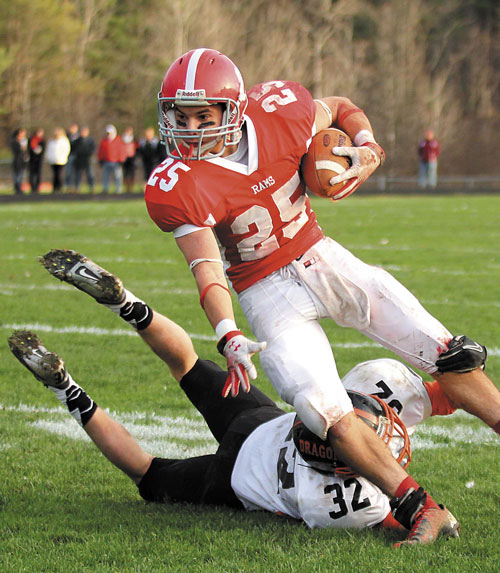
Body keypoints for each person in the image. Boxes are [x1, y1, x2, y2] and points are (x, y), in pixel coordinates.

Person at [144, 48, 500, 532]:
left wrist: (367, 147)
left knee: (448, 354)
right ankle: (421, 508)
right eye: (179, 116)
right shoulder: (177, 183)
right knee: (323, 412)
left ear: (235, 109)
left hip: (324, 258)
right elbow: (207, 266)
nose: (189, 128)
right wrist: (227, 333)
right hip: (265, 290)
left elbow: (342, 107)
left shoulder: (279, 114)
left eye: (203, 115)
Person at [8, 248, 461, 546]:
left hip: (261, 422)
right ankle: (66, 389)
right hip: (234, 481)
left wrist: (458, 379)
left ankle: (127, 304)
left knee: (184, 363)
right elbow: (390, 513)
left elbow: (442, 397)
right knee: (147, 472)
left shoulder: (363, 389)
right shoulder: (343, 503)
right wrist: (432, 512)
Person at [97, 124, 127, 193]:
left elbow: (122, 150)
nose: (108, 135)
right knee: (105, 176)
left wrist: (121, 160)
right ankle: (105, 188)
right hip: (106, 161)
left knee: (118, 176)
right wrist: (100, 159)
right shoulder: (104, 141)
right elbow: (101, 151)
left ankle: (118, 189)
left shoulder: (119, 140)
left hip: (116, 162)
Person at [45, 127, 71, 193]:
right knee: (54, 174)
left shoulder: (64, 141)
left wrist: (63, 157)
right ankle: (54, 187)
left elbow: (66, 150)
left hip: (61, 160)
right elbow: (48, 150)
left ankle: (59, 187)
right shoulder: (51, 141)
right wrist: (48, 158)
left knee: (59, 174)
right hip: (53, 160)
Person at [73, 126, 96, 193]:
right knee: (78, 175)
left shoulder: (90, 141)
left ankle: (91, 188)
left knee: (90, 175)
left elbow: (92, 149)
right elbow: (75, 150)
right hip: (79, 160)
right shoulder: (77, 141)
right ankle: (77, 188)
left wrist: (87, 153)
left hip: (87, 160)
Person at [11, 128, 29, 194]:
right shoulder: (14, 141)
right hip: (17, 161)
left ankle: (20, 187)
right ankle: (17, 187)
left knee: (22, 175)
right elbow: (18, 151)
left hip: (23, 161)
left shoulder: (25, 141)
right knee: (17, 175)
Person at [28, 128, 46, 193]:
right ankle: (32, 187)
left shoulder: (42, 141)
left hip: (39, 160)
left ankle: (37, 187)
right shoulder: (31, 140)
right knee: (31, 174)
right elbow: (29, 149)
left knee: (38, 174)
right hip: (32, 160)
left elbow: (43, 150)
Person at [122, 126, 138, 192]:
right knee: (125, 173)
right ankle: (126, 187)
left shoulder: (134, 139)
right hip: (125, 158)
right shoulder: (122, 138)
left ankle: (131, 187)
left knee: (132, 173)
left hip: (132, 159)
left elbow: (137, 148)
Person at [65, 123, 80, 192]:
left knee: (76, 173)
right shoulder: (67, 136)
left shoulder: (79, 137)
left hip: (77, 157)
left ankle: (76, 187)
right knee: (68, 172)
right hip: (69, 156)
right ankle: (68, 187)